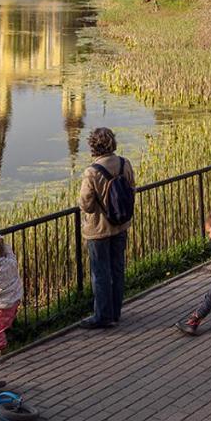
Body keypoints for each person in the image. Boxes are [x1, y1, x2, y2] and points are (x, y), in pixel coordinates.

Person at [77, 127, 137, 329]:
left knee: (100, 273)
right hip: (121, 224)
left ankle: (103, 316)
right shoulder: (124, 163)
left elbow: (86, 204)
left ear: (93, 146)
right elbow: (131, 189)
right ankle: (116, 311)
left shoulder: (92, 172)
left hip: (99, 229)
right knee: (117, 268)